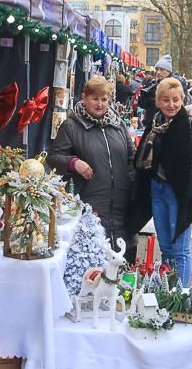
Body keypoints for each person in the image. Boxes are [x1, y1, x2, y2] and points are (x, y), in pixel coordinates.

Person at [132, 77, 192, 287]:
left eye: (176, 99)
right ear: (158, 101)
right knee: (166, 248)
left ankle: (181, 296)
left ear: (183, 100)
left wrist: (188, 185)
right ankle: (169, 293)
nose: (171, 104)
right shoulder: (154, 124)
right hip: (157, 191)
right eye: (166, 99)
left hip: (179, 194)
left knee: (180, 249)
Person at [47, 77, 137, 251]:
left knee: (123, 258)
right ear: (84, 97)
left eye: (104, 99)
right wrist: (74, 163)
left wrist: (129, 180)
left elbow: (132, 157)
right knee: (96, 257)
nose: (100, 104)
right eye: (95, 99)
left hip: (122, 204)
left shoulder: (118, 125)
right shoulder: (71, 126)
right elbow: (53, 157)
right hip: (90, 202)